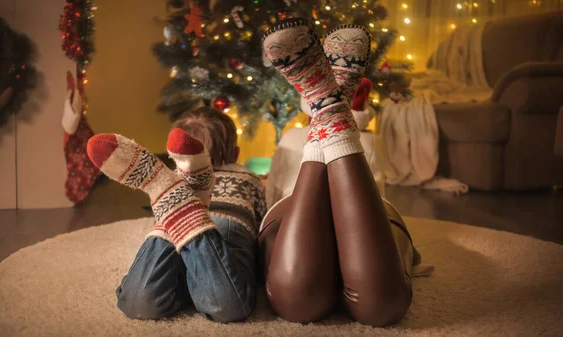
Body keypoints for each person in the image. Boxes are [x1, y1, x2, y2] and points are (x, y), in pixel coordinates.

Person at [258, 19, 431, 326]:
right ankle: (330, 103)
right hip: (368, 212)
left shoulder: (286, 147)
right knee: (366, 304)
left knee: (378, 306)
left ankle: (323, 103)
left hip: (290, 210)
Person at [86, 107, 266, 323]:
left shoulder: (173, 185)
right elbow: (262, 223)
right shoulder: (250, 178)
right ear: (236, 154)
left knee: (137, 304)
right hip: (228, 226)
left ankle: (169, 190)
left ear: (175, 158)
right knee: (227, 307)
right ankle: (193, 199)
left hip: (176, 230)